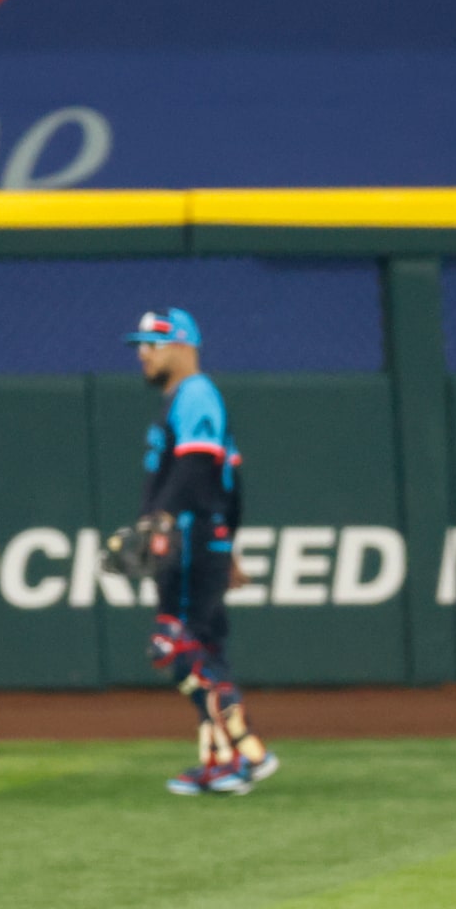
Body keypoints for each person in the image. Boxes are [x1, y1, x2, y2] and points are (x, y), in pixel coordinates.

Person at [126, 308, 278, 795]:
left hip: (189, 537)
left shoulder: (194, 393)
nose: (143, 353)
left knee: (175, 645)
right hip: (200, 535)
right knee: (204, 648)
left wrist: (163, 519)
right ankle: (219, 760)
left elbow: (196, 466)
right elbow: (228, 482)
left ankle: (247, 750)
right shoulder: (187, 398)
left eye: (154, 343)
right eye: (141, 343)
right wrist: (227, 546)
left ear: (185, 346)